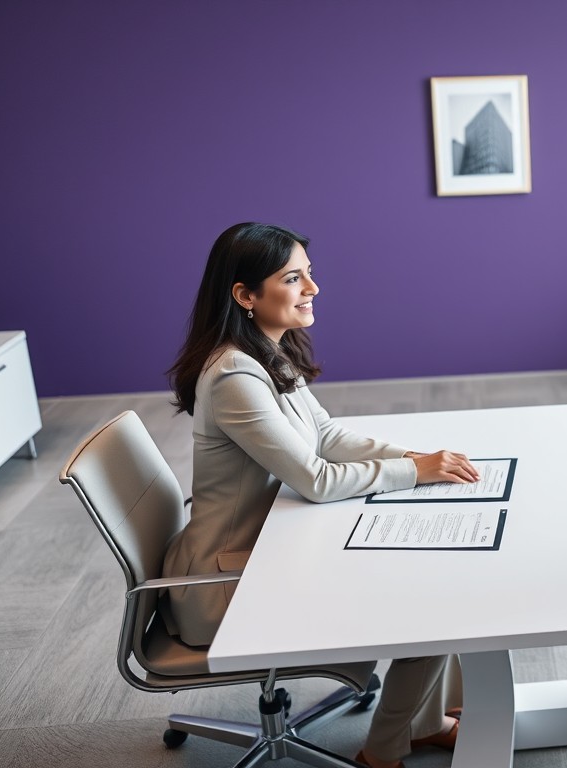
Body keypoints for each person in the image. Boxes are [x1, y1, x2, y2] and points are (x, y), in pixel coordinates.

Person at [163, 222, 480, 768]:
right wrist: (417, 472)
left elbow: (327, 434)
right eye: (293, 277)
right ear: (244, 295)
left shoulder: (264, 350)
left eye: (309, 273)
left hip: (264, 550)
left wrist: (413, 458)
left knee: (435, 573)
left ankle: (425, 724)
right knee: (433, 603)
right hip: (226, 585)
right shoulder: (234, 373)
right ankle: (381, 754)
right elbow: (316, 479)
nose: (313, 288)